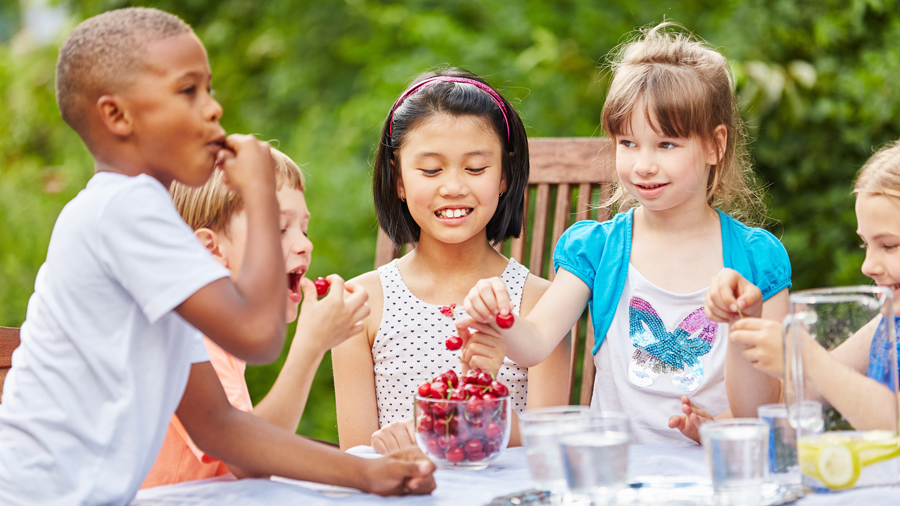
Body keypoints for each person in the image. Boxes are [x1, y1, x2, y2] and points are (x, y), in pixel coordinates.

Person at [0, 8, 433, 504]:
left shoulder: (154, 253)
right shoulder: (124, 208)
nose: (213, 109)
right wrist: (258, 192)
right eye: (188, 91)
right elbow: (259, 336)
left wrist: (366, 475)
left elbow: (223, 430)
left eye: (209, 90)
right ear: (116, 116)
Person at [458, 22, 792, 445]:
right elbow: (535, 344)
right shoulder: (599, 249)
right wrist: (500, 318)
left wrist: (715, 426)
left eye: (666, 144)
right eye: (628, 142)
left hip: (718, 472)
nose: (643, 164)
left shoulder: (756, 260)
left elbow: (768, 405)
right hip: (616, 473)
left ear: (715, 145)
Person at [332, 68, 571, 454]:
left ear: (505, 175)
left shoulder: (542, 304)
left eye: (476, 168)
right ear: (399, 180)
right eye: (430, 170)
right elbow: (357, 452)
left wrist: (452, 424)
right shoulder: (359, 302)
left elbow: (549, 439)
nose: (454, 187)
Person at [142, 149, 368, 487]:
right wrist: (311, 346)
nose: (305, 245)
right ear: (211, 250)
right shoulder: (190, 333)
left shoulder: (221, 336)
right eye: (279, 229)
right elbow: (252, 458)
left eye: (304, 229)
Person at [706, 140, 900, 431]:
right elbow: (792, 400)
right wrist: (743, 322)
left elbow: (892, 423)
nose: (867, 266)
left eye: (889, 245)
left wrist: (807, 355)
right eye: (865, 244)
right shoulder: (887, 325)